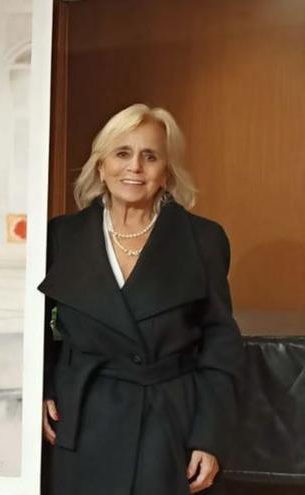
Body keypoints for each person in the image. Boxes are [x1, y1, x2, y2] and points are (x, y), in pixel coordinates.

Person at [39, 104, 243, 494]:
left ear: (166, 172)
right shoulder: (61, 237)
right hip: (80, 421)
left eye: (150, 156)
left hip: (168, 425)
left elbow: (221, 346)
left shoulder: (203, 240)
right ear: (101, 166)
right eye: (122, 153)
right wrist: (41, 388)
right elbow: (40, 331)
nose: (135, 167)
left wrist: (209, 436)